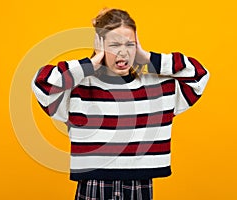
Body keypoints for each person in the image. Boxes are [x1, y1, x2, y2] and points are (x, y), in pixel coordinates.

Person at [31, 8, 209, 200]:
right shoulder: (79, 88)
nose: (123, 52)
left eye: (130, 45)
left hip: (139, 186)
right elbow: (43, 83)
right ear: (100, 46)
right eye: (114, 45)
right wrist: (92, 62)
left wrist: (147, 57)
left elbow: (198, 76)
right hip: (93, 186)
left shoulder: (158, 87)